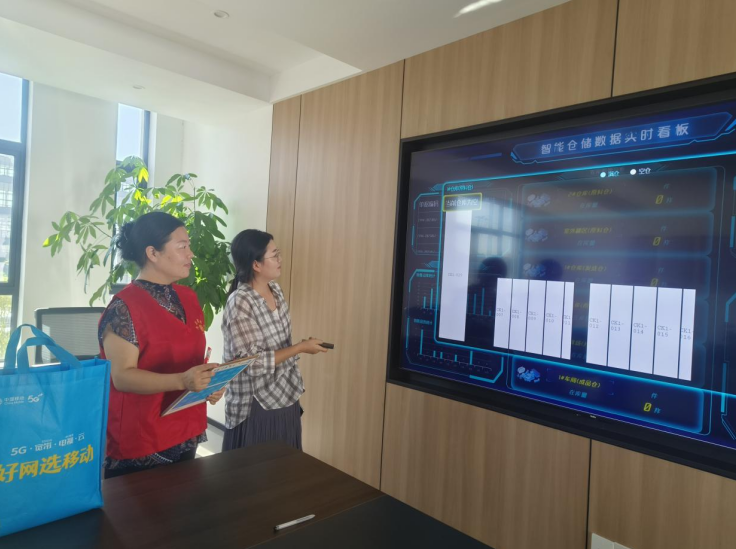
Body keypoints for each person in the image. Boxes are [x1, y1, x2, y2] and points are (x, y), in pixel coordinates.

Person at [98, 212, 224, 478]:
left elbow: (188, 359)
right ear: (153, 253)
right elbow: (122, 377)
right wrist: (182, 380)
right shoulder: (124, 307)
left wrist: (206, 384)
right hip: (142, 438)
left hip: (186, 429)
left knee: (185, 501)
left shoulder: (188, 298)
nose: (191, 254)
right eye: (182, 247)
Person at [221, 229, 329, 452]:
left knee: (285, 467)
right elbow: (253, 363)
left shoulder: (276, 290)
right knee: (257, 469)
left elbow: (280, 344)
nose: (280, 259)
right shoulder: (240, 301)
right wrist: (300, 348)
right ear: (256, 264)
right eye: (274, 255)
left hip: (285, 390)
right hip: (256, 402)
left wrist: (300, 346)